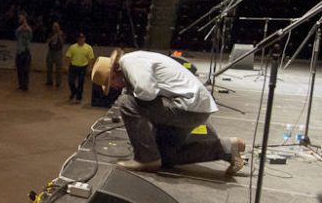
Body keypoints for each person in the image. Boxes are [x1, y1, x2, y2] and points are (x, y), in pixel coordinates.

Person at [91, 49, 245, 173]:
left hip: (186, 108)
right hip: (193, 109)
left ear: (115, 71)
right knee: (165, 155)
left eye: (112, 83)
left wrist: (130, 95)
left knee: (126, 102)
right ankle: (227, 148)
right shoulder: (136, 61)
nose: (116, 87)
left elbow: (147, 91)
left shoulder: (130, 62)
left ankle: (146, 159)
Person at [65, 32, 95, 102]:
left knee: (81, 82)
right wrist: (67, 65)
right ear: (77, 39)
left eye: (82, 38)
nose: (81, 39)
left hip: (83, 67)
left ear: (84, 39)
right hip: (73, 66)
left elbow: (91, 58)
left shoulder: (88, 48)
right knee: (71, 81)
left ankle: (79, 96)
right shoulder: (73, 47)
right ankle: (74, 91)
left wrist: (90, 67)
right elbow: (68, 57)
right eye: (80, 38)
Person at [15, 13, 32, 91]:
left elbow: (30, 35)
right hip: (19, 52)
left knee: (25, 70)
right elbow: (16, 33)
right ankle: (21, 85)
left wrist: (25, 25)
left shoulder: (29, 30)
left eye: (20, 18)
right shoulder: (19, 30)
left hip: (26, 52)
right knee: (19, 70)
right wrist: (22, 27)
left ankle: (25, 85)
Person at [45, 22, 65, 88]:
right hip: (51, 51)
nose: (55, 28)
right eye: (54, 26)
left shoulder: (61, 34)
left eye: (57, 26)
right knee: (49, 67)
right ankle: (49, 81)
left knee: (58, 68)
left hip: (58, 52)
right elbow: (47, 41)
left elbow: (62, 43)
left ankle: (58, 82)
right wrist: (54, 37)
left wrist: (59, 36)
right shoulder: (50, 34)